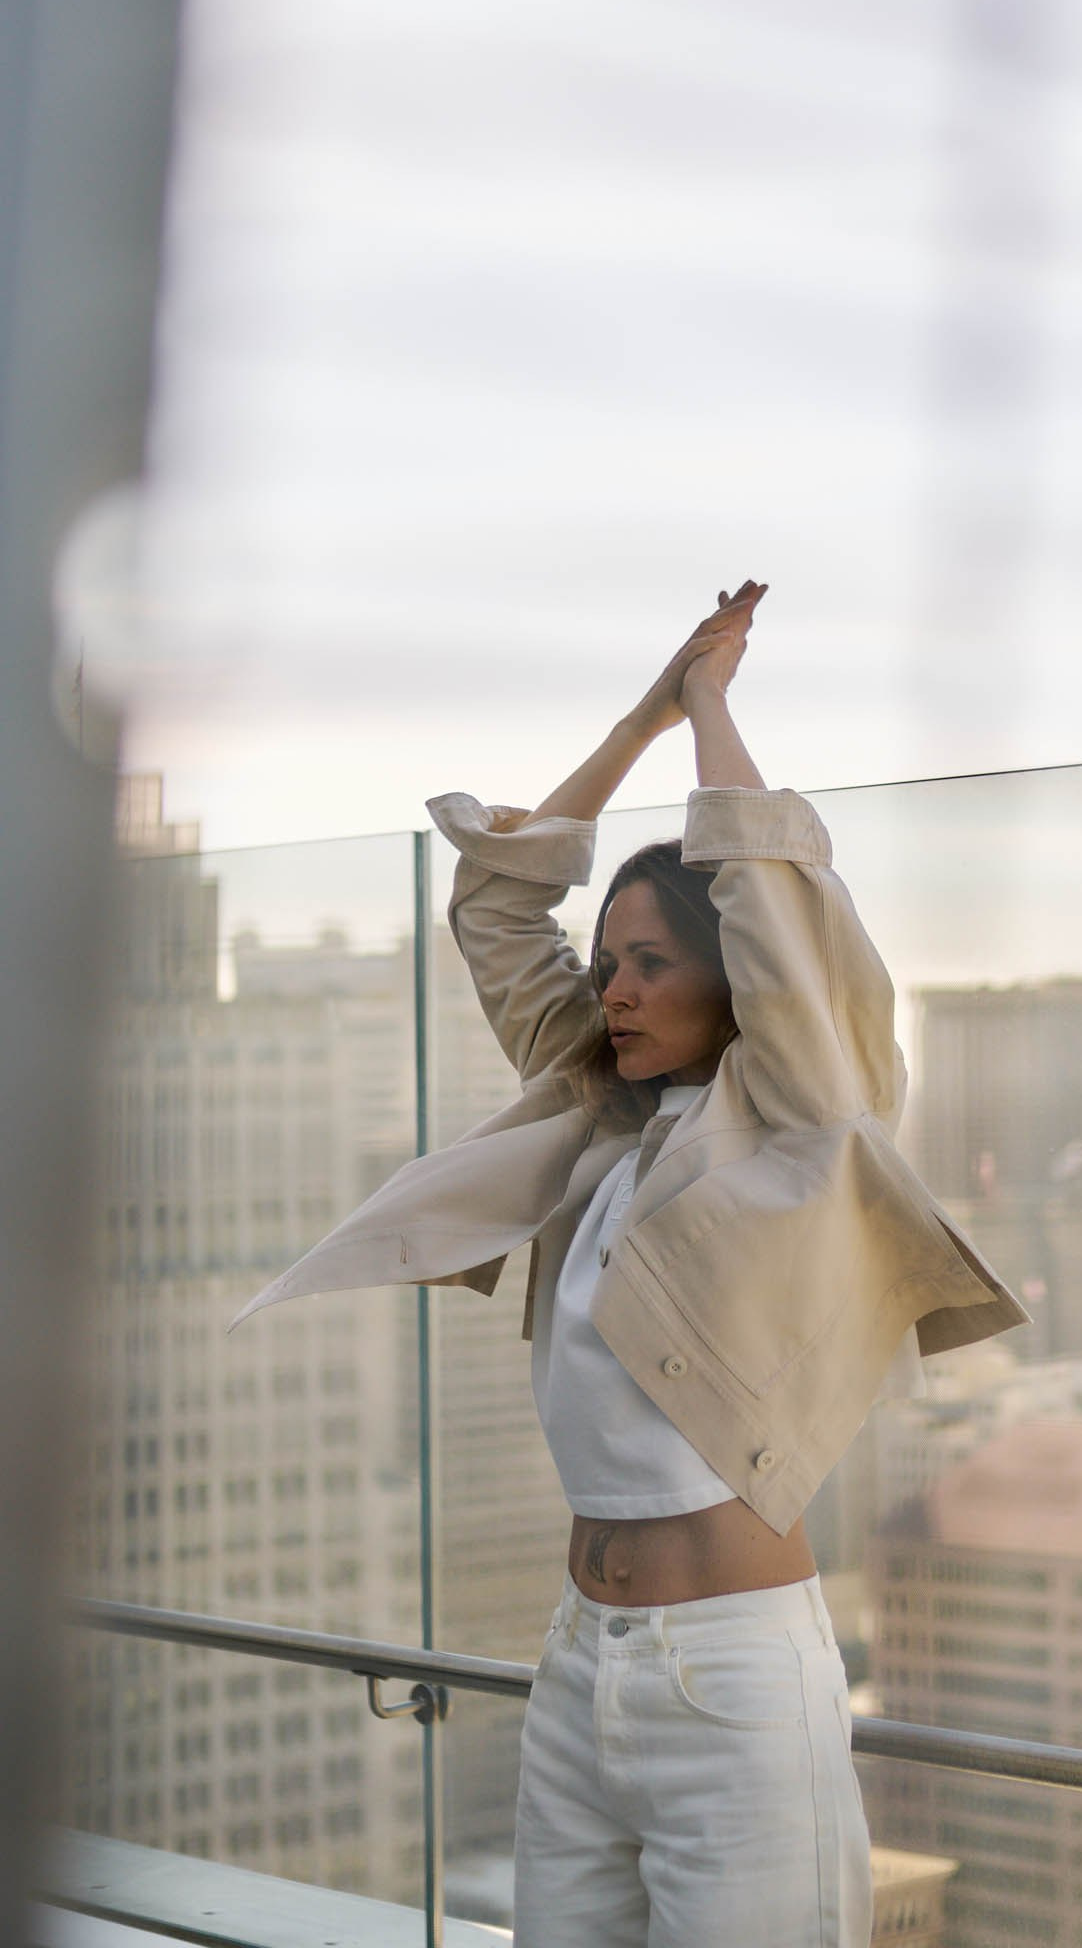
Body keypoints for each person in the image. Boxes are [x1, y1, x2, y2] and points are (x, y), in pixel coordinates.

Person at [231, 580, 1027, 1947]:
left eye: (653, 964)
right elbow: (494, 910)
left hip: (729, 1682)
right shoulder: (590, 1108)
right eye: (608, 964)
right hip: (575, 1667)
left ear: (734, 986)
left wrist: (713, 709)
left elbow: (778, 919)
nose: (614, 992)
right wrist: (640, 721)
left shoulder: (798, 1128)